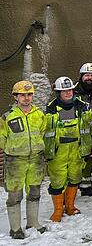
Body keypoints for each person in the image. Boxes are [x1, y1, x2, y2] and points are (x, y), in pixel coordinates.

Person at [44, 76, 92, 222]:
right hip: (57, 151)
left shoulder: (83, 106)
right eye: (64, 91)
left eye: (70, 90)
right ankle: (58, 210)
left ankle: (70, 206)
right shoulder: (50, 109)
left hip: (77, 149)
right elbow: (43, 131)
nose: (68, 93)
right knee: (57, 181)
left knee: (75, 177)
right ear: (58, 92)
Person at [1, 80, 47, 239]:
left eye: (29, 95)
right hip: (15, 162)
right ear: (16, 97)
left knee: (34, 192)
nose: (26, 98)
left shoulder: (39, 114)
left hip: (35, 160)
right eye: (22, 95)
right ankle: (15, 229)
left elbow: (42, 132)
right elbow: (2, 138)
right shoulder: (8, 117)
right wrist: (13, 150)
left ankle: (33, 223)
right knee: (14, 195)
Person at [74, 62, 92, 196]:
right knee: (77, 158)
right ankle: (76, 183)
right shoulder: (73, 91)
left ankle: (86, 183)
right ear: (81, 76)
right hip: (77, 130)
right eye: (86, 75)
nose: (89, 78)